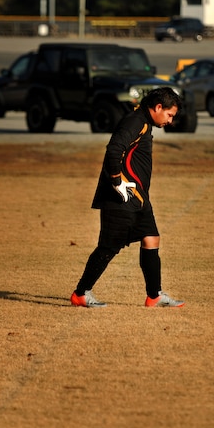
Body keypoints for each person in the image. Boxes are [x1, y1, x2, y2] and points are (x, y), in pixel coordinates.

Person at [70, 87, 186, 309]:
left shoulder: (144, 122)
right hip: (121, 198)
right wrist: (116, 182)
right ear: (158, 107)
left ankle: (154, 296)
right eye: (170, 115)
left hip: (139, 199)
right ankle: (81, 294)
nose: (170, 121)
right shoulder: (135, 122)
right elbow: (113, 150)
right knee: (108, 247)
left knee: (151, 239)